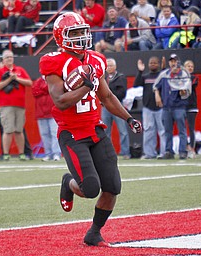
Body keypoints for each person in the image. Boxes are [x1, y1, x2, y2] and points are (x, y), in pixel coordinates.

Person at [39, 12, 142, 246]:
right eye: (74, 33)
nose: (81, 37)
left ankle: (94, 232)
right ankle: (69, 183)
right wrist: (86, 87)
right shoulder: (52, 61)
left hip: (96, 130)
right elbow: (60, 101)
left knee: (113, 187)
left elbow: (106, 96)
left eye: (82, 31)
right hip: (72, 133)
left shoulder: (95, 59)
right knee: (90, 188)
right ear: (60, 36)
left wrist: (128, 118)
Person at [0, 49, 33, 161]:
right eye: (7, 57)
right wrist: (9, 79)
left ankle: (21, 153)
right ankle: (6, 153)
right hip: (5, 105)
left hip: (20, 104)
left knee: (19, 130)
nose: (9, 59)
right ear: (3, 60)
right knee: (8, 130)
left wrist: (17, 78)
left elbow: (29, 83)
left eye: (11, 57)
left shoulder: (19, 70)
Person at [153, 53, 191, 160]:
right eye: (171, 61)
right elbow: (155, 85)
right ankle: (169, 151)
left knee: (181, 130)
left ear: (178, 62)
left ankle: (183, 151)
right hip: (167, 107)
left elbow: (187, 91)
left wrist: (183, 92)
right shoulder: (164, 74)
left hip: (179, 106)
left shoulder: (183, 74)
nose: (173, 63)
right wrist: (157, 95)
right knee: (167, 131)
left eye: (175, 61)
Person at [133, 56, 166, 159]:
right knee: (148, 130)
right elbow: (136, 85)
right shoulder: (145, 76)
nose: (153, 64)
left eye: (155, 63)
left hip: (161, 107)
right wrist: (140, 71)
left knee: (163, 131)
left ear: (159, 64)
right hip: (147, 107)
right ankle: (149, 153)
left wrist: (164, 69)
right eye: (151, 63)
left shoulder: (162, 76)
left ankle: (164, 153)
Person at [102, 58, 131, 159]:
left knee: (122, 130)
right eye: (107, 66)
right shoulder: (103, 77)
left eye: (110, 66)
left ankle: (125, 152)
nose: (109, 68)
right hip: (105, 106)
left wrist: (109, 95)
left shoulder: (120, 77)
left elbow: (122, 93)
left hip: (117, 106)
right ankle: (107, 153)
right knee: (106, 131)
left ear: (115, 67)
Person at [32, 76, 61, 161]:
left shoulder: (54, 79)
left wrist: (44, 89)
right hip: (41, 113)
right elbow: (34, 91)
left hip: (52, 112)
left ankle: (56, 153)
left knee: (54, 133)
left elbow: (54, 90)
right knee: (44, 134)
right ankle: (48, 153)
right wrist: (46, 89)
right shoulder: (38, 81)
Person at [184, 60, 199, 159]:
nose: (190, 68)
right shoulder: (180, 78)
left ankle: (192, 149)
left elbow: (190, 85)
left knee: (191, 128)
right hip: (181, 106)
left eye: (191, 66)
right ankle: (186, 147)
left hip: (192, 107)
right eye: (188, 66)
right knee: (182, 129)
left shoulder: (194, 78)